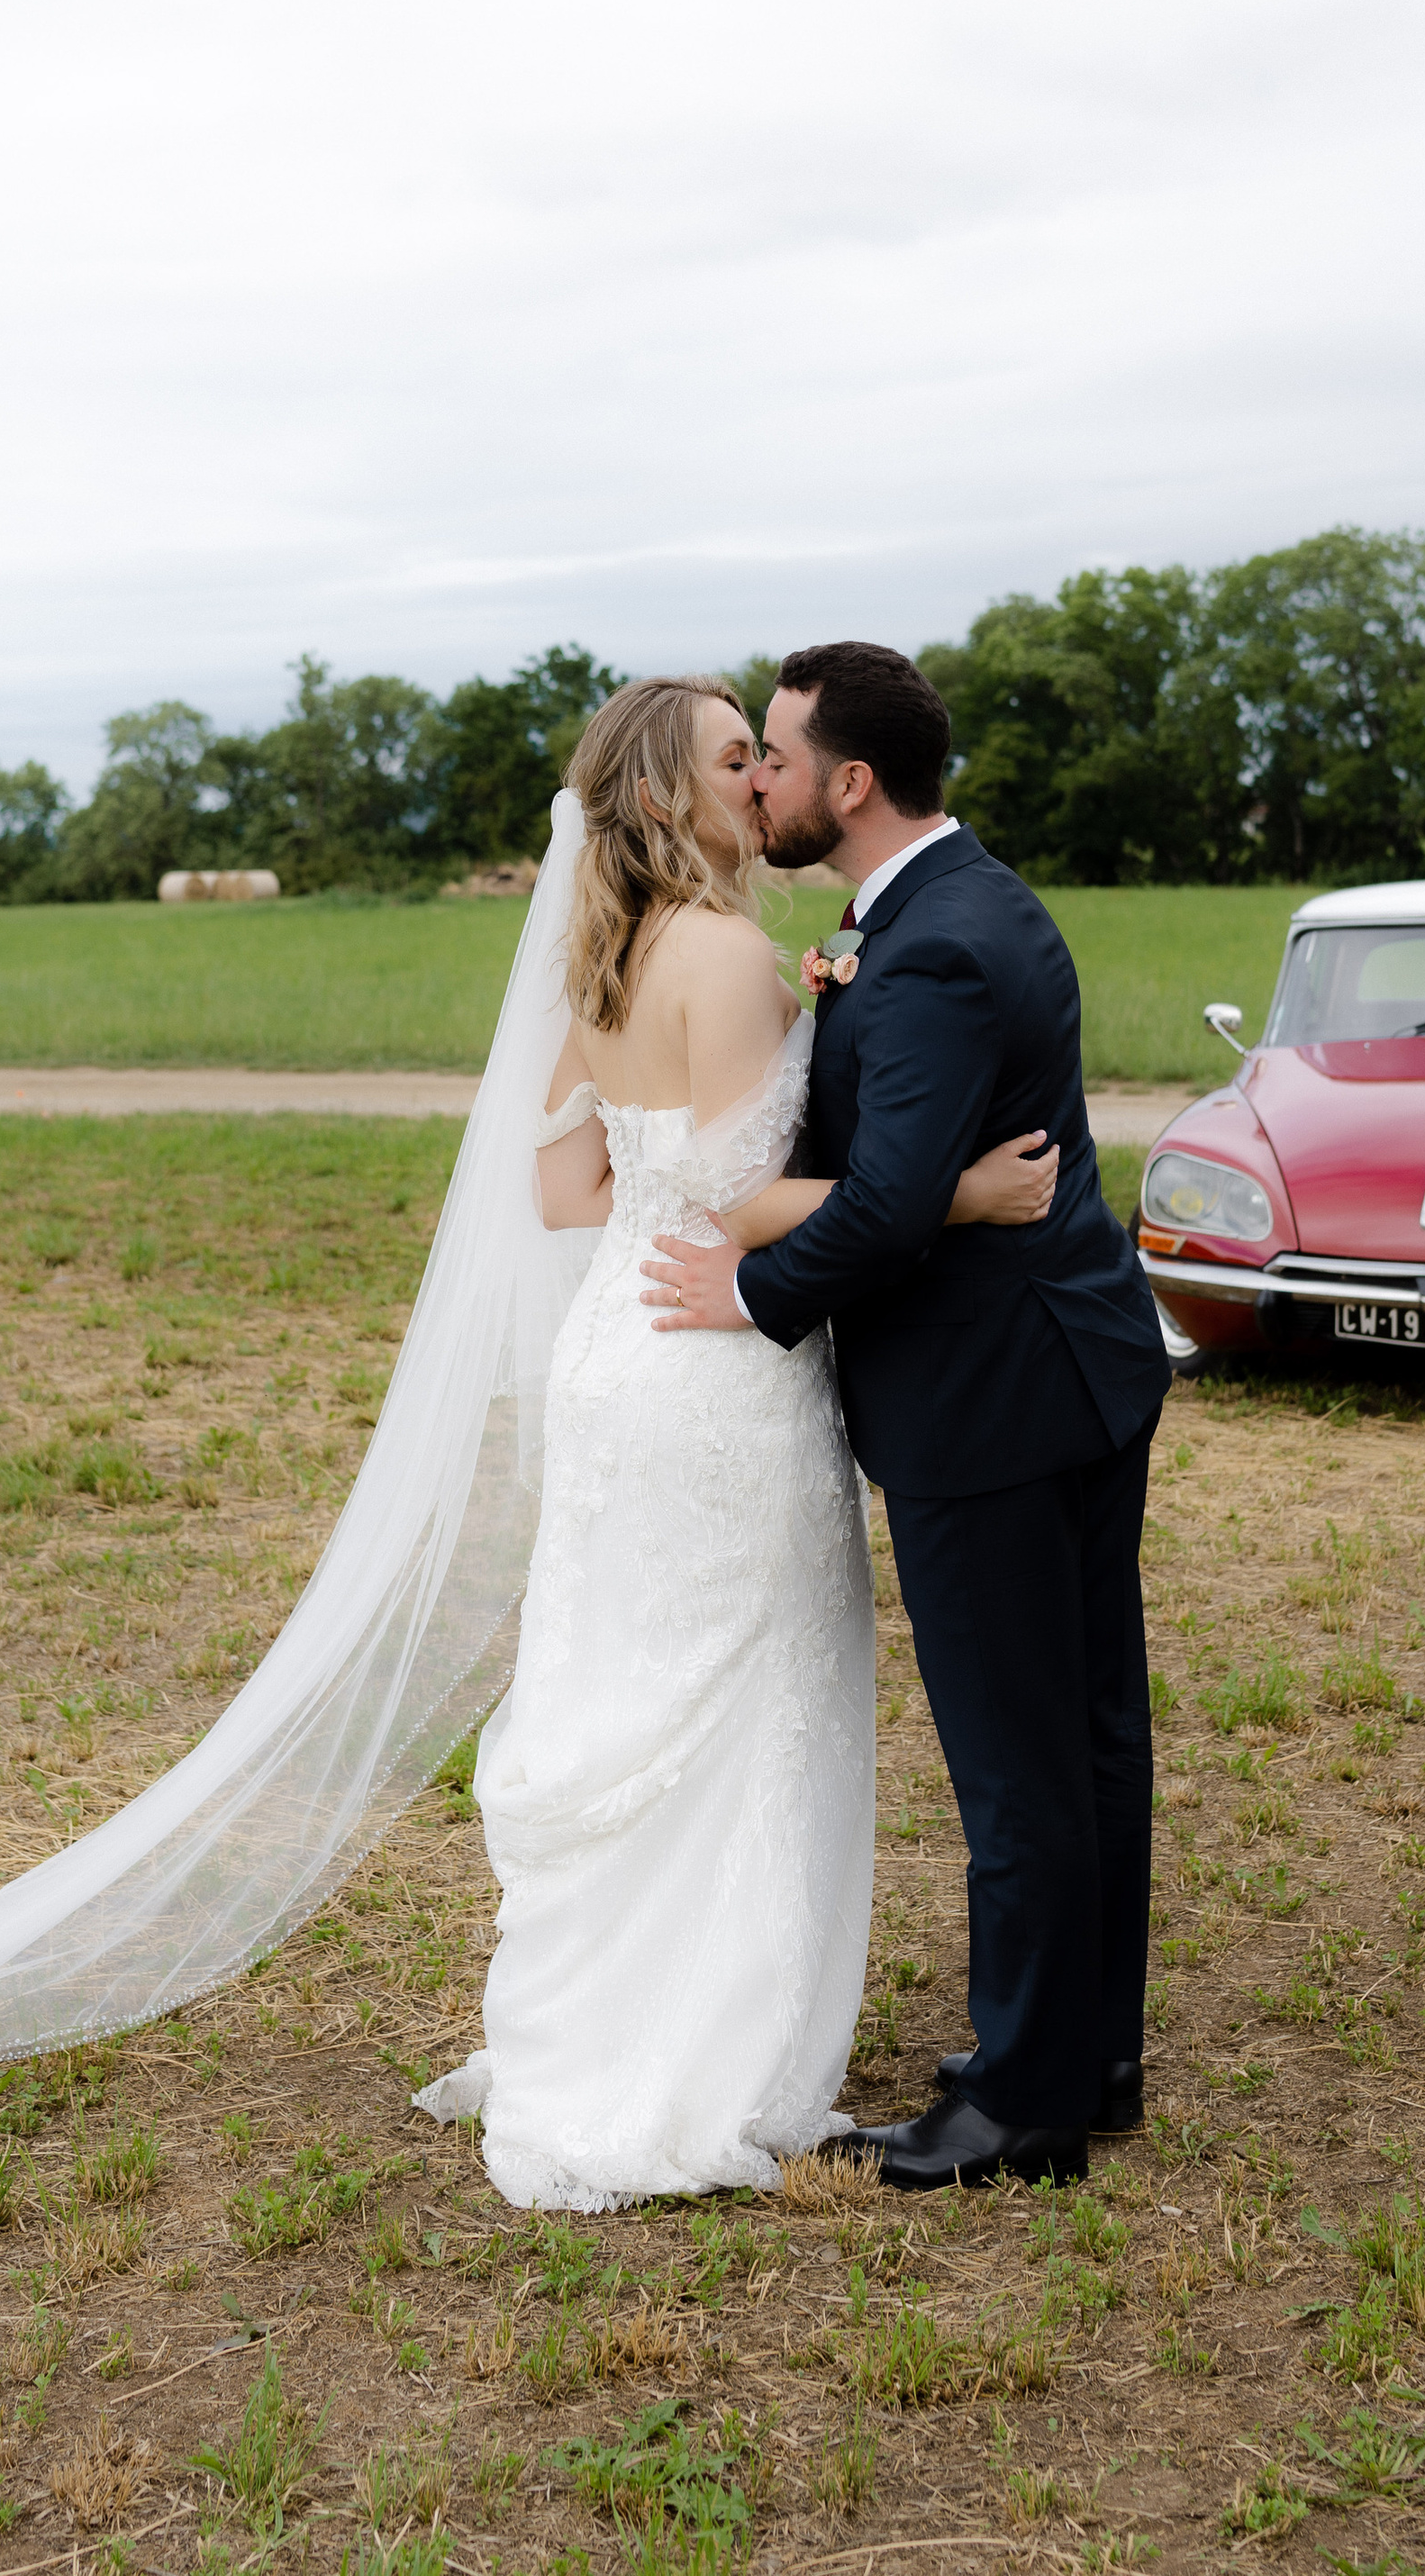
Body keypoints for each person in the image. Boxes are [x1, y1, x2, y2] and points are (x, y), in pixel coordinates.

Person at [414, 676, 1058, 2209]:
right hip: (716, 1373)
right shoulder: (725, 949)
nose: (760, 781)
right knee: (746, 1692)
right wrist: (949, 1197)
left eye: (763, 755)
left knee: (636, 1683)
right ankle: (712, 2060)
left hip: (614, 1361)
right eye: (731, 761)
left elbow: (578, 1196)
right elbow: (734, 1193)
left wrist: (676, 1188)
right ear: (664, 800)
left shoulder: (606, 956)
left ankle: (609, 2026)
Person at [645, 641, 1170, 2191]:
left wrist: (743, 1298)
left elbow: (877, 1216)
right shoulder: (969, 903)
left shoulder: (929, 948)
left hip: (990, 1405)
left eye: (778, 761)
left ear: (849, 783)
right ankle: (1090, 2053)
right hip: (1074, 1367)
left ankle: (1022, 2104)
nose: (758, 785)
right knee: (1087, 1741)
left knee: (1021, 1764)